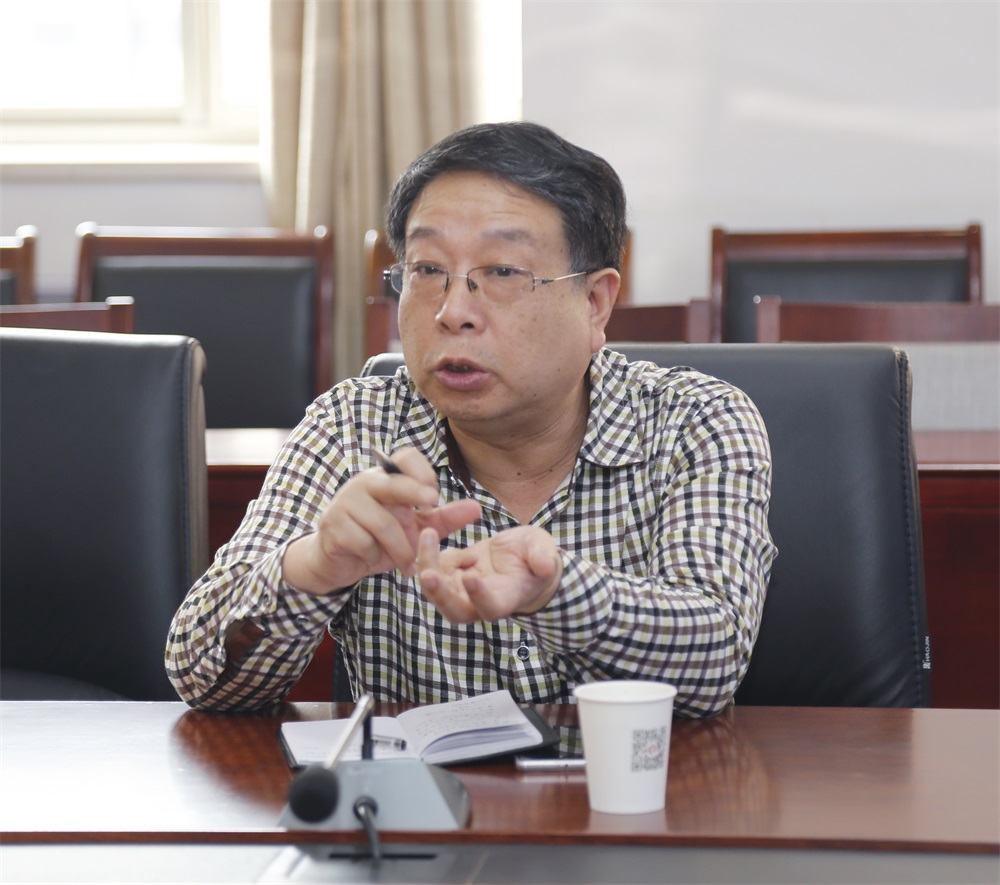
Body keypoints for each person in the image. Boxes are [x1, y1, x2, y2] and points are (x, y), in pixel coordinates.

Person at [166, 121, 776, 717]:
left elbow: (713, 659)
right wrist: (312, 566)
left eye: (503, 272)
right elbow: (200, 675)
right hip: (414, 787)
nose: (453, 311)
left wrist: (558, 593)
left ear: (594, 303)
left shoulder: (695, 422)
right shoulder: (353, 426)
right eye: (428, 270)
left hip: (630, 784)